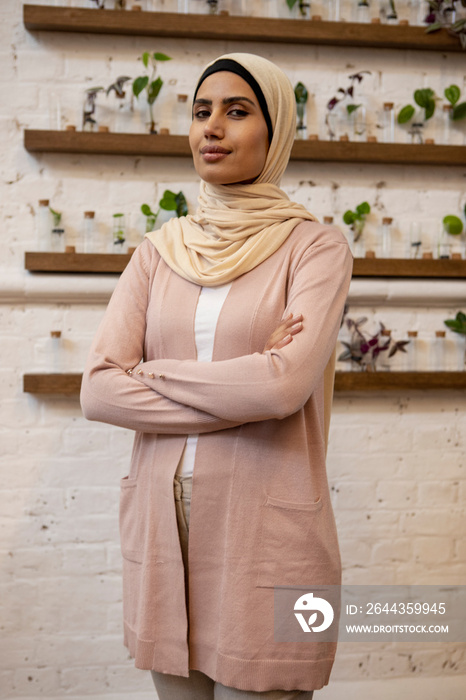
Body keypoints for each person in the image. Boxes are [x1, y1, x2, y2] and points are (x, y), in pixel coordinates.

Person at [80, 52, 353, 699]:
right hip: (164, 521)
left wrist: (152, 372)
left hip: (267, 529)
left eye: (237, 111)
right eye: (202, 111)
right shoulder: (159, 252)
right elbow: (96, 389)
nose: (212, 127)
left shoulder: (315, 248)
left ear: (276, 129)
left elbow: (285, 387)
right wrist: (249, 382)